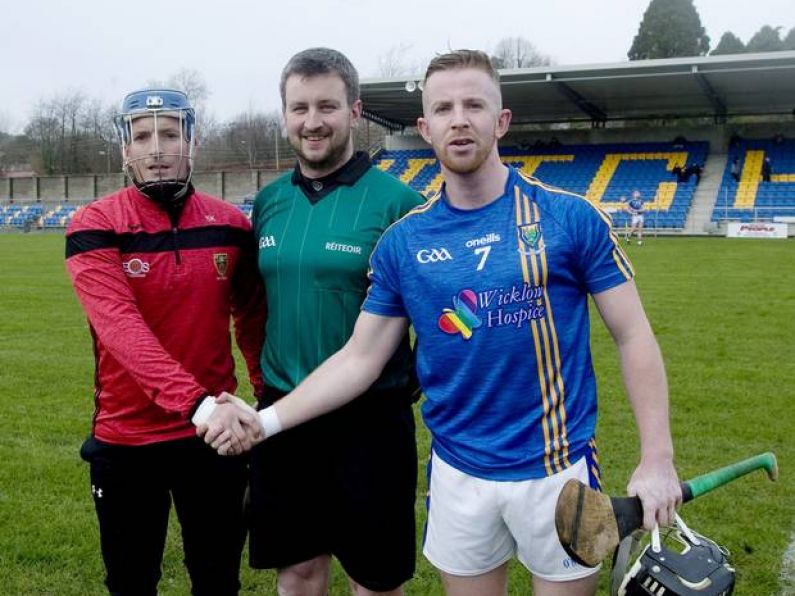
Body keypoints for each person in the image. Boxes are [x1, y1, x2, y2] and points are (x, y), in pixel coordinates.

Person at [200, 49, 681, 596]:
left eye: (474, 104)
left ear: (501, 120)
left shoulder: (569, 218)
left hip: (557, 470)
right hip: (457, 473)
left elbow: (633, 334)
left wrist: (657, 458)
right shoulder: (404, 240)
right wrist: (263, 423)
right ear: (425, 128)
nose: (460, 119)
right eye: (444, 108)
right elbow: (359, 358)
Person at [239, 48, 425, 596]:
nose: (312, 121)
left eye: (327, 106)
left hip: (370, 424)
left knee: (374, 579)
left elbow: (435, 316)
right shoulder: (270, 202)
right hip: (284, 415)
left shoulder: (400, 204)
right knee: (297, 570)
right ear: (284, 116)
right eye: (299, 108)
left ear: (355, 111)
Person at [66, 88, 266, 596]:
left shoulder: (231, 224)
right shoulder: (95, 223)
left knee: (218, 579)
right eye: (143, 136)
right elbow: (120, 328)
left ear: (192, 143)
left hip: (214, 437)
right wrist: (197, 405)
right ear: (125, 150)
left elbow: (252, 319)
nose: (157, 148)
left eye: (170, 133)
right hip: (129, 438)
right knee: (132, 582)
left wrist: (268, 397)